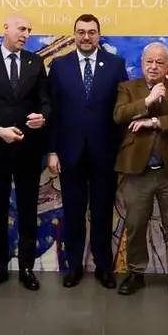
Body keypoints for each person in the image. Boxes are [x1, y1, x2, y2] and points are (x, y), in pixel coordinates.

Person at [46, 14, 129, 289]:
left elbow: (122, 111)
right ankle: (74, 266)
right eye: (81, 32)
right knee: (73, 212)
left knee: (103, 212)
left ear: (98, 35)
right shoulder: (60, 65)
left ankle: (104, 266)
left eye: (91, 32)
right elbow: (52, 111)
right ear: (74, 35)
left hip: (105, 153)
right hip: (69, 153)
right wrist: (52, 150)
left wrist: (121, 150)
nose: (86, 37)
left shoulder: (115, 65)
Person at [0, 14, 51, 291]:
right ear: (5, 28)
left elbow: (46, 102)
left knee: (28, 209)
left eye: (29, 30)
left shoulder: (36, 62)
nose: (26, 34)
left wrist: (43, 117)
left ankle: (27, 267)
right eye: (21, 29)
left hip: (29, 149)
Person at [113, 42, 168, 300]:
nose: (154, 66)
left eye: (160, 62)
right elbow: (119, 115)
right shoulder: (128, 88)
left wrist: (155, 121)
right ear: (142, 62)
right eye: (149, 61)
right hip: (138, 171)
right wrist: (147, 101)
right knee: (136, 224)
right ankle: (135, 273)